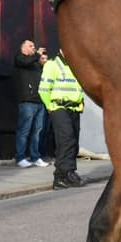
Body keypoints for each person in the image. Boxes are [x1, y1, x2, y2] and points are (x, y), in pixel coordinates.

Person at [39, 48, 85, 189]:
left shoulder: (76, 65)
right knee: (66, 140)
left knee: (73, 142)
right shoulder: (52, 64)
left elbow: (78, 87)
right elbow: (43, 89)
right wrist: (50, 107)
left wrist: (81, 102)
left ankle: (61, 177)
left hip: (74, 109)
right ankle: (68, 173)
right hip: (59, 107)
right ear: (60, 50)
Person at [13, 39, 48, 168]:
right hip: (27, 101)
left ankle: (35, 157)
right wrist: (37, 55)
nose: (34, 47)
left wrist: (42, 62)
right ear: (23, 48)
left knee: (37, 131)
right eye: (30, 46)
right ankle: (20, 157)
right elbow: (26, 61)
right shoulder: (20, 58)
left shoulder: (35, 63)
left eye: (34, 46)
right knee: (24, 131)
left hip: (39, 101)